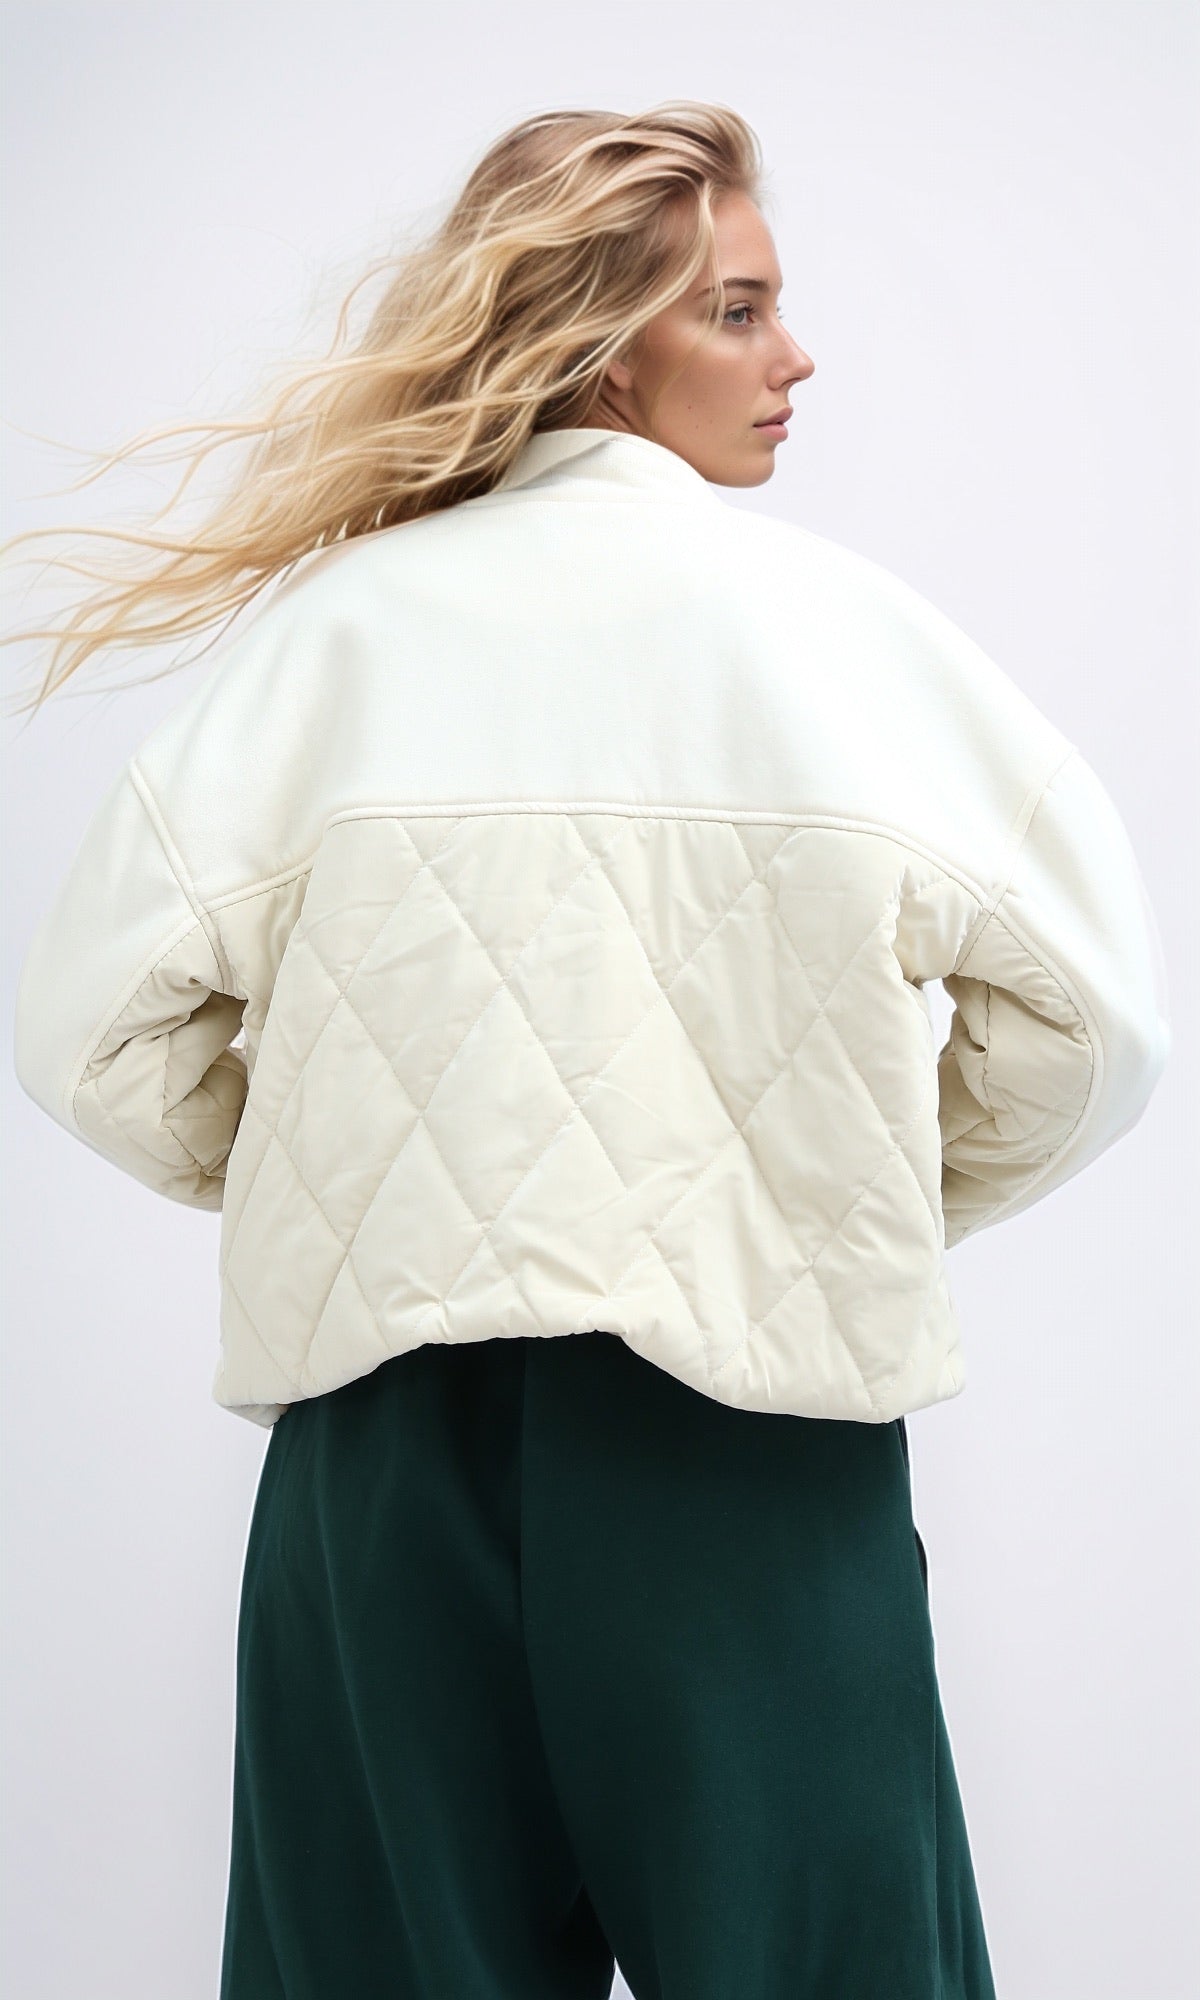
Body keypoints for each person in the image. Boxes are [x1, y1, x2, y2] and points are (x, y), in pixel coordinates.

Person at [6, 102, 1170, 2000]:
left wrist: (358, 1172)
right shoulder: (854, 644)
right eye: (742, 310)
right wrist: (830, 1192)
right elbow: (1094, 1031)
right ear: (612, 347)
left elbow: (88, 1028)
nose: (798, 358)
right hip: (754, 1451)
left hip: (384, 1459)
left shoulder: (334, 643)